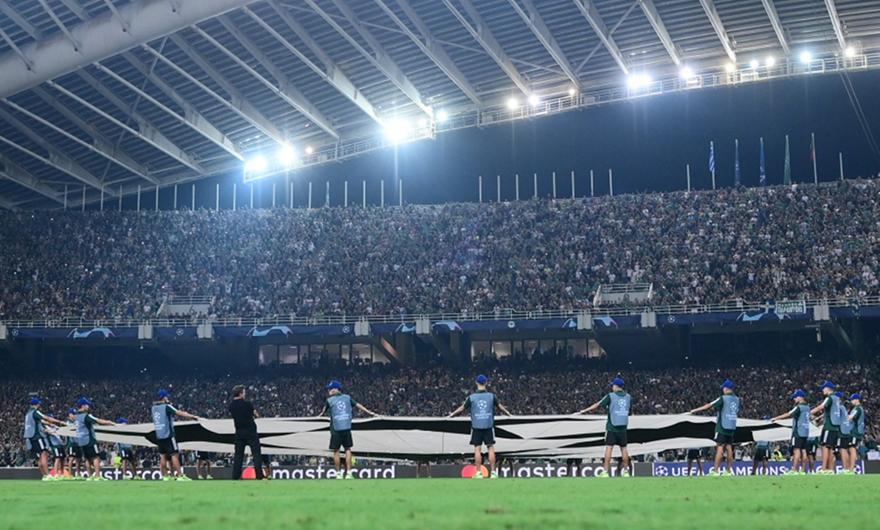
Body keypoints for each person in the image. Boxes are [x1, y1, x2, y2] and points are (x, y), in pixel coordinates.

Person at [447, 374, 512, 480]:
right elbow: (500, 407)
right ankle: (493, 473)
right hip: (488, 426)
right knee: (490, 447)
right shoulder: (491, 396)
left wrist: (451, 415)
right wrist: (509, 414)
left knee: (477, 449)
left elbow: (462, 408)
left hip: (476, 426)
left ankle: (478, 473)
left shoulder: (472, 397)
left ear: (476, 382)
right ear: (486, 383)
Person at [317, 380, 379, 480]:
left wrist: (319, 416)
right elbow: (358, 405)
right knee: (348, 449)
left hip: (336, 430)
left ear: (336, 389)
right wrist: (369, 412)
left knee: (336, 451)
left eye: (330, 389)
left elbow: (322, 412)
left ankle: (338, 474)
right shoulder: (347, 397)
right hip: (346, 428)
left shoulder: (329, 400)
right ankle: (349, 473)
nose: (329, 391)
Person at [576, 377, 632, 478]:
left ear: (616, 386)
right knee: (624, 449)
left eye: (613, 385)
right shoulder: (628, 397)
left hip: (612, 427)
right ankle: (626, 472)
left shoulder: (610, 396)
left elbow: (597, 404)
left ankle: (605, 472)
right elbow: (629, 411)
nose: (612, 387)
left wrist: (584, 411)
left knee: (609, 448)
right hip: (623, 427)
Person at [688, 379, 740, 476]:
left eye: (723, 388)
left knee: (720, 447)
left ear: (726, 388)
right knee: (729, 447)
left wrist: (694, 410)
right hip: (732, 426)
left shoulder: (723, 398)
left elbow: (709, 405)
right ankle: (728, 471)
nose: (723, 390)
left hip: (722, 427)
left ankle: (715, 471)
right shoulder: (737, 399)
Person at [151, 389, 199, 481]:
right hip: (168, 435)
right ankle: (180, 475)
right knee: (174, 455)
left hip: (159, 435)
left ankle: (165, 476)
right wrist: (192, 417)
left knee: (162, 456)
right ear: (164, 397)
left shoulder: (153, 408)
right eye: (166, 396)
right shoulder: (166, 406)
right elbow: (179, 413)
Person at [229, 384, 266, 480]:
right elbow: (256, 415)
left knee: (238, 456)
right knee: (256, 454)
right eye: (244, 392)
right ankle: (259, 476)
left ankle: (235, 476)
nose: (245, 394)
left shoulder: (231, 406)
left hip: (239, 432)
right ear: (240, 393)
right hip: (251, 432)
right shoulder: (247, 404)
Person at [23, 397, 66, 481]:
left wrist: (50, 423)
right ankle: (48, 475)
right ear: (36, 404)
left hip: (30, 438)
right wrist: (59, 422)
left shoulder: (28, 414)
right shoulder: (35, 412)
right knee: (44, 454)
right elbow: (46, 418)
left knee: (39, 458)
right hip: (37, 436)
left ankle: (44, 475)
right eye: (39, 404)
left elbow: (42, 421)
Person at [73, 398, 116, 481]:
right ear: (83, 406)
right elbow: (98, 421)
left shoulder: (77, 417)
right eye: (87, 405)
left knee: (87, 459)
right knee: (96, 457)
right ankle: (97, 476)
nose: (88, 406)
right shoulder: (86, 416)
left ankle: (90, 476)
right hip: (89, 439)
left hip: (81, 440)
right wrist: (110, 422)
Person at [770, 389, 811, 475]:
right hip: (805, 432)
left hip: (798, 432)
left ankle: (794, 469)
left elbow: (788, 414)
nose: (794, 399)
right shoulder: (807, 407)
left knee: (796, 450)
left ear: (800, 397)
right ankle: (803, 470)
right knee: (804, 451)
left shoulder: (799, 407)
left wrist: (776, 418)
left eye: (795, 397)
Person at [809, 381, 841, 474]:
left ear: (828, 388)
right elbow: (829, 412)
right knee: (831, 448)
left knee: (825, 446)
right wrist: (819, 418)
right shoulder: (836, 399)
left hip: (829, 426)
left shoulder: (829, 398)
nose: (822, 390)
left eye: (824, 388)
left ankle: (823, 469)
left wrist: (808, 413)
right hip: (835, 427)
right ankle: (830, 469)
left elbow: (821, 407)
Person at [835, 392, 855, 474]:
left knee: (842, 449)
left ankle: (845, 468)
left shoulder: (838, 407)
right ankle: (848, 468)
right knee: (845, 449)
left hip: (841, 430)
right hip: (846, 429)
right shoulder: (843, 407)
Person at [848, 393, 866, 472]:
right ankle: (851, 468)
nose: (851, 401)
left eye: (852, 400)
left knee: (852, 448)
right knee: (851, 448)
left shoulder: (857, 408)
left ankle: (852, 469)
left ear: (857, 400)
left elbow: (850, 418)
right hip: (856, 431)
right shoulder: (858, 408)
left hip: (855, 432)